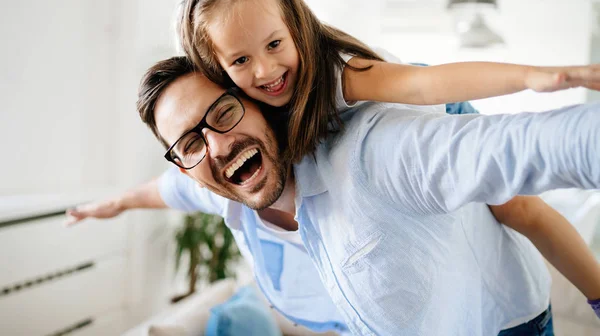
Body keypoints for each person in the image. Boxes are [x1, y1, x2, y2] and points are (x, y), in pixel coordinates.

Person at [76, 57, 600, 335]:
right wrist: (116, 203)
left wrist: (545, 83)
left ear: (260, 104)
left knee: (518, 207)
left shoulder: (372, 153)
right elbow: (166, 191)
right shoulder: (222, 192)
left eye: (223, 113)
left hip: (504, 321)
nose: (215, 145)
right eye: (190, 142)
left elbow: (528, 149)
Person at [178, 0, 600, 165]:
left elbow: (424, 85)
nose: (266, 70)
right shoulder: (235, 110)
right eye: (240, 61)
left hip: (434, 99)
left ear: (296, 25)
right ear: (219, 65)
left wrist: (531, 76)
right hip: (410, 84)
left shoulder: (338, 73)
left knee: (516, 207)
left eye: (274, 45)